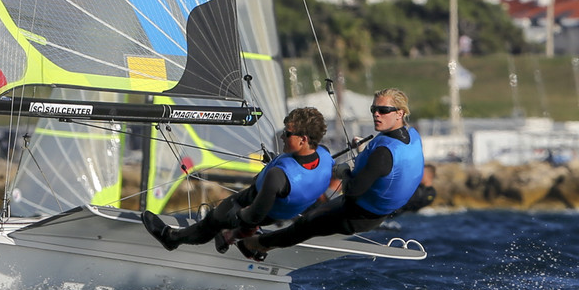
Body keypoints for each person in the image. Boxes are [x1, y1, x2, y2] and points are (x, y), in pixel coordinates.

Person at [232, 88, 425, 261]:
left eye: (383, 110)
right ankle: (258, 232)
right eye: (373, 109)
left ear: (400, 113)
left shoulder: (382, 154)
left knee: (305, 224)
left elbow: (353, 190)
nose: (376, 114)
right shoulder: (410, 135)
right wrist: (364, 151)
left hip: (358, 214)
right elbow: (391, 167)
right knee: (308, 213)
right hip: (375, 211)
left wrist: (344, 171)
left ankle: (253, 245)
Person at [141, 107, 331, 253]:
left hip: (247, 207)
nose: (282, 136)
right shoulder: (324, 156)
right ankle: (229, 237)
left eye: (287, 133)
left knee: (213, 220)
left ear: (303, 140)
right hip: (281, 213)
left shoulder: (278, 176)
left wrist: (234, 231)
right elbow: (305, 173)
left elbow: (254, 216)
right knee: (236, 220)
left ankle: (172, 238)